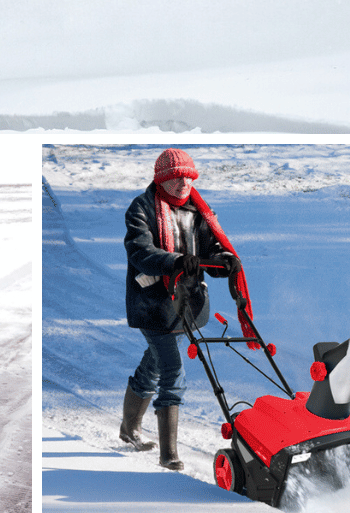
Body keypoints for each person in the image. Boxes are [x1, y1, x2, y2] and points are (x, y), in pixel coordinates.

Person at [119, 148, 246, 470]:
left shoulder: (196, 211)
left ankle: (129, 428)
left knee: (155, 365)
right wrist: (174, 260)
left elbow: (210, 247)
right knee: (173, 371)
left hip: (185, 303)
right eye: (176, 178)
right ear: (162, 179)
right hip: (154, 303)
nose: (183, 184)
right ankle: (168, 455)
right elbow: (140, 251)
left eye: (188, 177)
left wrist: (224, 261)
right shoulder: (142, 208)